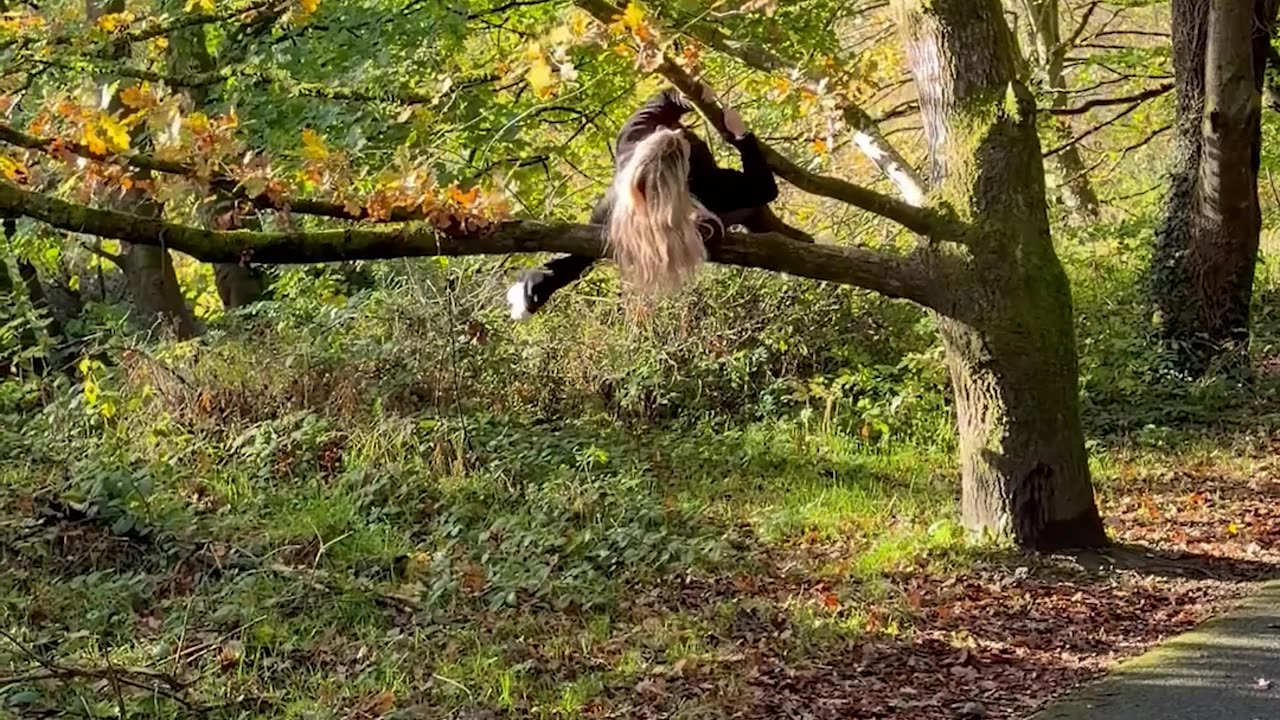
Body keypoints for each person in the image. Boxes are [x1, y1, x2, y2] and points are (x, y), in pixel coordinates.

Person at [505, 82, 803, 320]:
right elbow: (764, 189)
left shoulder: (634, 137)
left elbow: (665, 99)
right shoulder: (707, 185)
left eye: (667, 131)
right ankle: (793, 251)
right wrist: (742, 136)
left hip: (621, 211)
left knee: (586, 251)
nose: (670, 129)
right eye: (681, 139)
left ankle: (534, 288)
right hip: (669, 220)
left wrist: (691, 96)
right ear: (684, 169)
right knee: (751, 209)